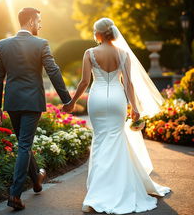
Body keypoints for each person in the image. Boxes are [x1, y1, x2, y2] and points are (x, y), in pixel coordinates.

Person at [63, 18, 171, 214]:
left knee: (100, 141)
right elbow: (129, 84)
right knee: (116, 139)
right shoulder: (123, 54)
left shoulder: (89, 53)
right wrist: (134, 107)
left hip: (96, 100)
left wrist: (72, 102)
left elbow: (84, 82)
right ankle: (118, 186)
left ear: (98, 33)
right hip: (116, 100)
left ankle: (99, 190)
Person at [0, 7, 72, 210]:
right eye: (39, 21)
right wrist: (67, 99)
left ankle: (36, 179)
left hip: (12, 102)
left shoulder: (3, 45)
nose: (40, 25)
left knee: (23, 143)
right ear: (30, 22)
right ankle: (15, 195)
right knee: (25, 145)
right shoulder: (41, 43)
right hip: (32, 101)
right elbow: (53, 71)